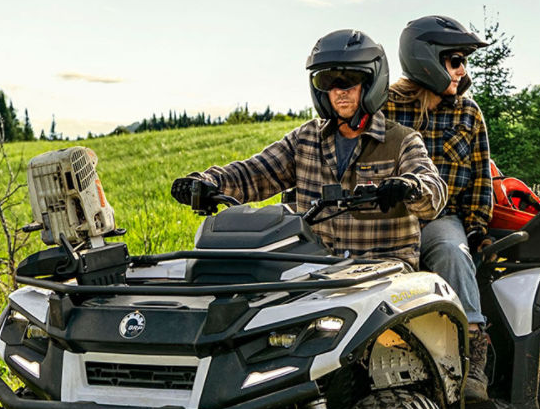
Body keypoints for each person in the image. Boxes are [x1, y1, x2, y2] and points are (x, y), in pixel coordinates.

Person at [170, 29, 445, 271]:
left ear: (372, 81)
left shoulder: (402, 141)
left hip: (384, 271)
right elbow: (254, 173)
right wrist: (206, 182)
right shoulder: (306, 140)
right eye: (327, 81)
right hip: (316, 270)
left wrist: (410, 187)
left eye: (348, 79)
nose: (339, 91)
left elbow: (433, 190)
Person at [383, 15, 494, 400]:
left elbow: (480, 178)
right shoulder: (383, 108)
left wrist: (476, 229)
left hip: (440, 218)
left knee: (451, 251)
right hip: (386, 221)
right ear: (425, 60)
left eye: (464, 61)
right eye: (455, 60)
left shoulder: (468, 113)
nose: (463, 70)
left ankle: (473, 353)